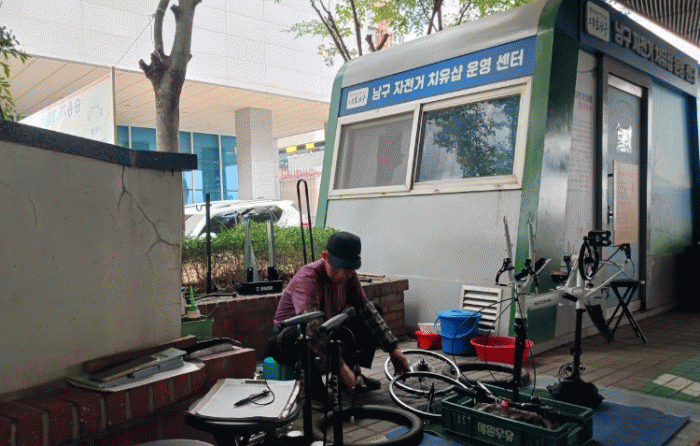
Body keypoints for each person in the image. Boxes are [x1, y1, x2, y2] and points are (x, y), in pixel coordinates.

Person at [268, 231, 410, 401]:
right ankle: (315, 390)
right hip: (287, 341)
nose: (342, 276)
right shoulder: (309, 277)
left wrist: (393, 348)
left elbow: (367, 310)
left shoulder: (350, 277)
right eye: (337, 268)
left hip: (325, 330)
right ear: (325, 257)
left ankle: (353, 374)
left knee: (371, 309)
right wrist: (340, 367)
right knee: (301, 330)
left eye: (348, 270)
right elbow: (312, 328)